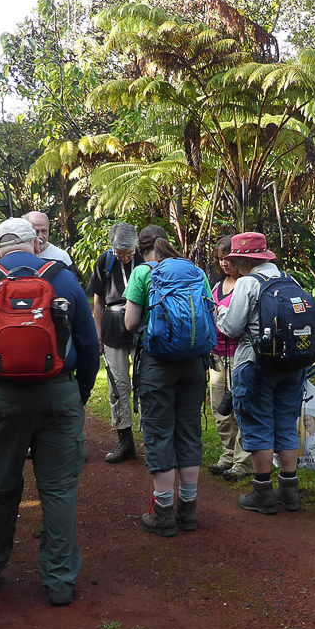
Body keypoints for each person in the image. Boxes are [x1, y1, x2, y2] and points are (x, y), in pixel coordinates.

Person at [0, 218, 98, 604]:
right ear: (36, 245)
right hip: (58, 394)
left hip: (2, 399)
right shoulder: (63, 279)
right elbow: (90, 344)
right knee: (59, 490)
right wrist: (79, 394)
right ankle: (59, 583)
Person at [122, 225, 209, 537]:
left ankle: (163, 513)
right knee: (188, 431)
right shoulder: (195, 271)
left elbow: (131, 323)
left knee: (160, 434)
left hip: (157, 364)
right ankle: (188, 510)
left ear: (141, 248)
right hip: (195, 364)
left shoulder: (142, 273)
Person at [216, 231, 306, 515]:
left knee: (258, 424)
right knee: (285, 423)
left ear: (245, 260)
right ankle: (289, 492)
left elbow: (230, 327)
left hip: (255, 365)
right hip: (293, 366)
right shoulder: (290, 280)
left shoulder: (247, 283)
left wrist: (219, 313)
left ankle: (262, 493)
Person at [86, 222, 144, 463]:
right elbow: (98, 300)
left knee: (146, 383)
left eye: (128, 253)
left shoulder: (144, 259)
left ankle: (151, 440)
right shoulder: (105, 261)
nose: (124, 258)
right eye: (120, 254)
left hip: (141, 327)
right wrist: (98, 335)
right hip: (112, 328)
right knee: (118, 385)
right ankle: (125, 440)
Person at [207, 235, 252, 482]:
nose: (224, 263)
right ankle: (227, 454)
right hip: (217, 355)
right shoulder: (217, 285)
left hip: (239, 355)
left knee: (240, 408)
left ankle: (242, 461)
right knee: (220, 409)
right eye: (221, 258)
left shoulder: (246, 286)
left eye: (228, 258)